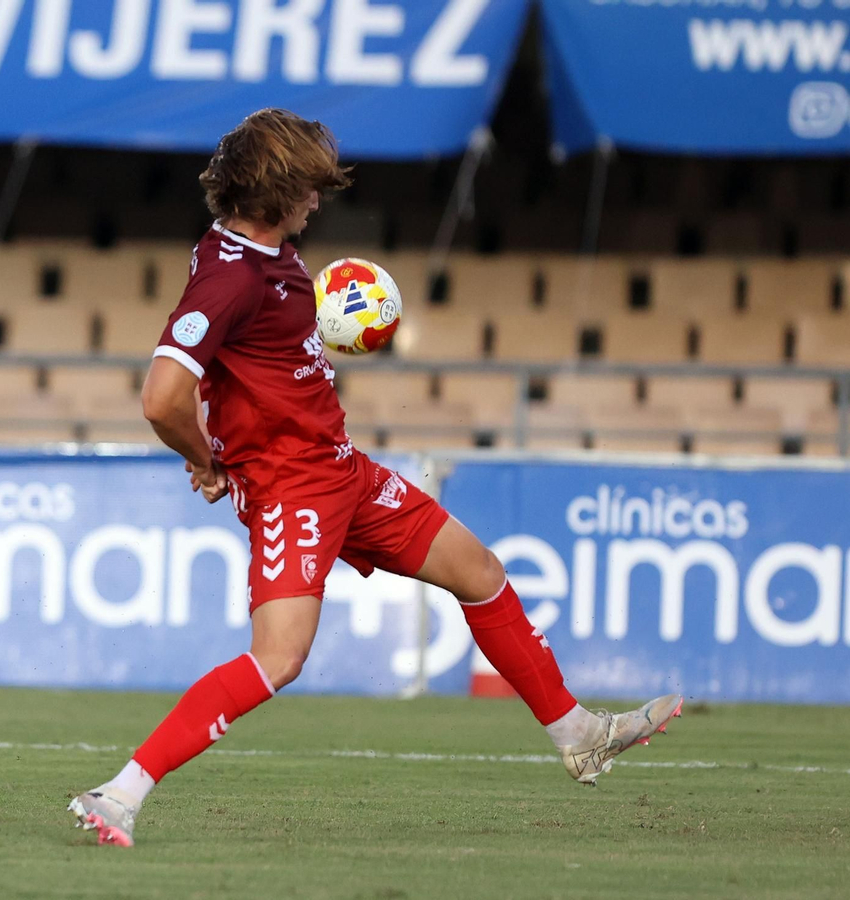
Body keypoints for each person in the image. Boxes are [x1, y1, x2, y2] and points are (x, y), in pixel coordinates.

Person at [67, 110, 682, 847]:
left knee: (480, 573)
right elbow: (161, 396)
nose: (318, 201)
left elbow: (237, 374)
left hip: (341, 471)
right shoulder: (232, 276)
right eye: (310, 188)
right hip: (294, 487)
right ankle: (121, 794)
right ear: (276, 191)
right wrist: (207, 458)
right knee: (280, 658)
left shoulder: (261, 258)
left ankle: (576, 731)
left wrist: (235, 430)